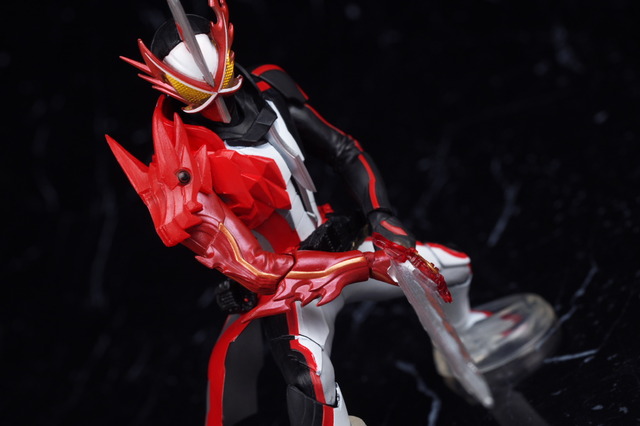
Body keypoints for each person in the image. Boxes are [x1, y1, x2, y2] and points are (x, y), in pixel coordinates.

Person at [107, 1, 557, 425]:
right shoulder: (182, 169)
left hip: (341, 239)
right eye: (200, 94)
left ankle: (465, 334)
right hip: (290, 291)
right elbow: (258, 269)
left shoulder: (267, 89)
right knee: (310, 378)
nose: (222, 106)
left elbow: (344, 150)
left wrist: (381, 216)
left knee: (453, 269)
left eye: (223, 79)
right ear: (172, 88)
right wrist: (363, 263)